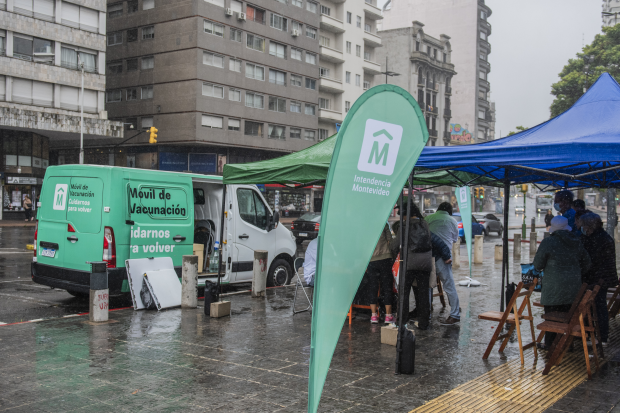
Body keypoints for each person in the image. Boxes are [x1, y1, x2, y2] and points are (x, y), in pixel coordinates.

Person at [533, 216, 591, 349]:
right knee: (569, 316)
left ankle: (550, 344)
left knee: (551, 317)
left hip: (553, 288)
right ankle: (567, 343)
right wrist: (574, 272)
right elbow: (587, 263)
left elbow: (538, 264)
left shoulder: (548, 242)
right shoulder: (576, 241)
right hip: (573, 288)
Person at [390, 202, 433, 330]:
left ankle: (401, 321)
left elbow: (395, 245)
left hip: (409, 263)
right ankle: (424, 322)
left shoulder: (404, 226)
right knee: (423, 293)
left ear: (405, 215)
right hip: (425, 263)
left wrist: (393, 255)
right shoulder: (424, 223)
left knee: (404, 294)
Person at [580, 213, 618, 346]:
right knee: (599, 307)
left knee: (599, 307)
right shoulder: (603, 237)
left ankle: (601, 337)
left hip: (599, 278)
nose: (582, 228)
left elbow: (592, 261)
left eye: (584, 225)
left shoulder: (597, 239)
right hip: (604, 277)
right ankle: (600, 336)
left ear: (589, 226)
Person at [425, 202, 461, 325]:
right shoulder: (452, 221)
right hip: (444, 259)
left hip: (429, 256)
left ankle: (427, 312)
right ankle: (455, 314)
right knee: (449, 285)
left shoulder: (428, 218)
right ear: (450, 211)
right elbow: (455, 238)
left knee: (428, 286)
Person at [367, 223, 395, 324]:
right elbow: (390, 241)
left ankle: (373, 316)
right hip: (385, 258)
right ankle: (388, 316)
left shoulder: (366, 226)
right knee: (387, 287)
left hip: (371, 260)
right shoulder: (383, 223)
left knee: (373, 287)